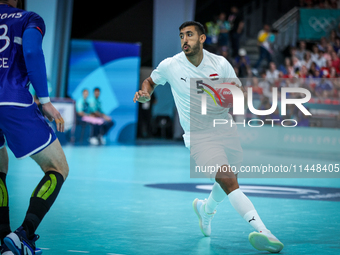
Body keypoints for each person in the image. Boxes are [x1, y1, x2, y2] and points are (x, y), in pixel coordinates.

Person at [133, 21, 284, 253]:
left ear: (202, 39)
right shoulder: (171, 65)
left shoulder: (220, 63)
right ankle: (265, 231)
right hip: (199, 135)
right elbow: (151, 81)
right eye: (182, 35)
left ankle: (206, 209)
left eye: (190, 35)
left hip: (225, 129)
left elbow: (238, 92)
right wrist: (145, 93)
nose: (185, 39)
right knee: (229, 181)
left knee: (227, 180)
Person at [0, 1, 69, 254]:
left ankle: (3, 240)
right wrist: (45, 101)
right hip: (12, 101)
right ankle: (24, 234)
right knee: (58, 168)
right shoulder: (30, 18)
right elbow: (31, 52)